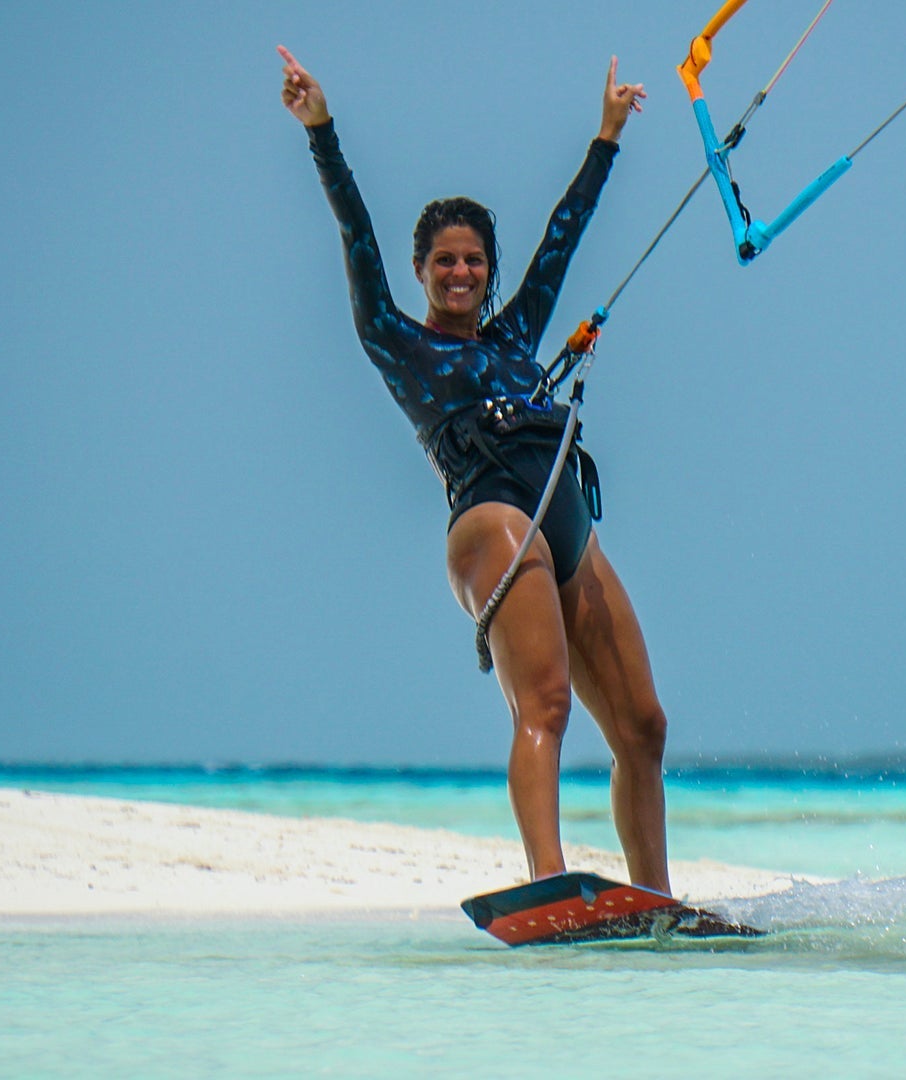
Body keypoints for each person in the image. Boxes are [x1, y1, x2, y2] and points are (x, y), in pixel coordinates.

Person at [277, 46, 677, 893]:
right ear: (422, 270)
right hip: (492, 518)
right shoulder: (398, 342)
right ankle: (550, 881)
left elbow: (565, 237)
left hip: (565, 519)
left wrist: (606, 136)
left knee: (643, 727)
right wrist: (323, 132)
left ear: (489, 272)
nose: (461, 272)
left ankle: (656, 899)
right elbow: (354, 230)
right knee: (548, 706)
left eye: (474, 261)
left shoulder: (513, 335)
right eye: (444, 261)